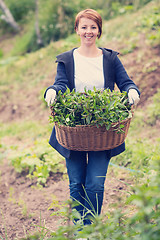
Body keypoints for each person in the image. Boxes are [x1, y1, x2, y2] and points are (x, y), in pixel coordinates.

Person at [44, 9, 140, 228]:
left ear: (99, 31)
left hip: (102, 130)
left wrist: (132, 92)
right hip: (73, 130)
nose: (89, 31)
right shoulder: (67, 60)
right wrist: (52, 91)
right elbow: (60, 84)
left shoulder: (110, 58)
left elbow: (125, 83)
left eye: (93, 27)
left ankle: (92, 228)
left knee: (95, 184)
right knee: (76, 183)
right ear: (77, 30)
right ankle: (79, 229)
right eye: (84, 27)